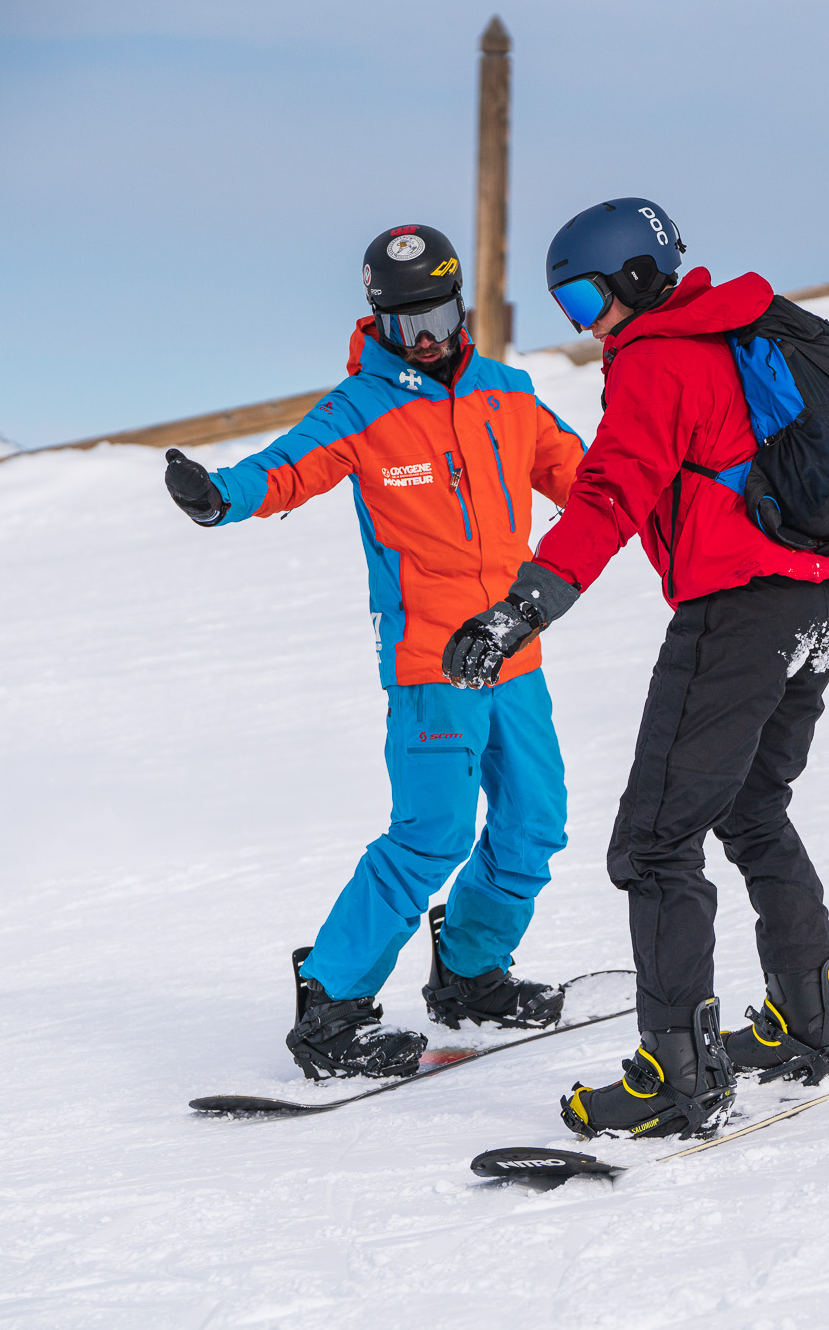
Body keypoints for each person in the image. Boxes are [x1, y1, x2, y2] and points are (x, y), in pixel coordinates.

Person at [441, 198, 829, 1139]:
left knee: (655, 844)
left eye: (588, 297)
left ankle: (675, 1074)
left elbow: (608, 494)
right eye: (567, 308)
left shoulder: (660, 359)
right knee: (753, 808)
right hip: (818, 601)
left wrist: (522, 608)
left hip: (738, 612)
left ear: (637, 276)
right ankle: (811, 1017)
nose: (586, 324)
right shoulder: (746, 332)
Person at [164, 223, 588, 1080]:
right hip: (432, 665)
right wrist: (219, 497)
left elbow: (588, 477)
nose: (424, 337)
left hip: (515, 648)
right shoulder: (361, 408)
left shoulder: (509, 393)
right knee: (432, 835)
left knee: (535, 825)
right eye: (404, 323)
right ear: (377, 320)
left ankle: (471, 974)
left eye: (435, 314)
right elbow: (286, 469)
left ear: (461, 303)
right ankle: (331, 1002)